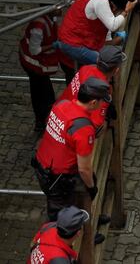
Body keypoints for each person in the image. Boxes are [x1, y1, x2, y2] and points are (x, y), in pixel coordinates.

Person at [32, 77, 111, 221]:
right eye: (101, 101)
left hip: (42, 166)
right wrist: (92, 188)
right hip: (58, 179)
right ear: (93, 102)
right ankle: (83, 234)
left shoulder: (62, 104)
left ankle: (88, 226)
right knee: (61, 219)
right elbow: (84, 169)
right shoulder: (83, 128)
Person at [56, 0, 137, 66]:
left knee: (106, 57)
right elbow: (113, 25)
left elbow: (106, 40)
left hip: (73, 41)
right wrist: (126, 11)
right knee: (106, 63)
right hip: (72, 43)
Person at [57, 45, 126, 132]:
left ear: (97, 60)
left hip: (58, 116)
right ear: (116, 71)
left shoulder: (86, 68)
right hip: (68, 129)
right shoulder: (102, 91)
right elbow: (96, 126)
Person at [19, 11, 60, 131]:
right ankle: (41, 121)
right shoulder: (39, 28)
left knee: (45, 92)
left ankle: (45, 118)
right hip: (33, 64)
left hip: (37, 64)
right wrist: (53, 46)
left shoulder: (51, 18)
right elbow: (34, 50)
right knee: (40, 93)